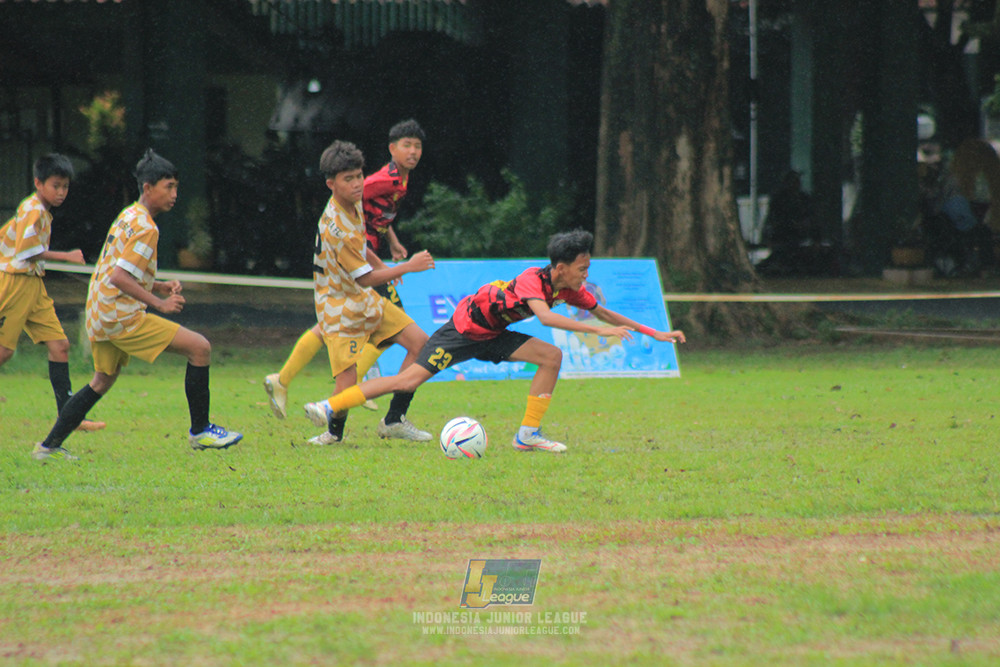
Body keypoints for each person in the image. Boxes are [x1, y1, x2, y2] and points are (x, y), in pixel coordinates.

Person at [318, 229, 686, 453]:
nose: (586, 275)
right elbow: (544, 317)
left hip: (494, 336)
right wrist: (598, 332)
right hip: (462, 332)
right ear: (561, 268)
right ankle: (332, 405)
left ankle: (527, 436)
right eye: (583, 268)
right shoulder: (532, 280)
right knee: (407, 380)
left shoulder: (568, 289)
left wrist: (656, 333)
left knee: (551, 356)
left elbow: (606, 312)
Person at [31, 150, 242, 460]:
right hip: (121, 317)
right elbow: (119, 276)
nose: (174, 194)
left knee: (101, 380)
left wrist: (157, 284)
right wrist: (160, 302)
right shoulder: (147, 228)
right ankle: (201, 432)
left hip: (99, 313)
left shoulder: (129, 215)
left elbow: (119, 270)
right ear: (147, 188)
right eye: (168, 186)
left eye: (175, 187)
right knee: (200, 348)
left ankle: (47, 448)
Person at [264, 119, 426, 415]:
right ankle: (347, 410)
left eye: (417, 146)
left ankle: (287, 381)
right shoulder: (368, 194)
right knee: (354, 363)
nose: (413, 152)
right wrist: (398, 265)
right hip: (346, 289)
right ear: (392, 149)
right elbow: (362, 258)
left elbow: (371, 223)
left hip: (355, 284)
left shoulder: (381, 188)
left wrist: (388, 245)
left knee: (411, 339)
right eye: (407, 145)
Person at [289, 140, 435, 445]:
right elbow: (367, 278)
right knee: (347, 381)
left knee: (420, 343)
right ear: (331, 184)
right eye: (349, 179)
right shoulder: (335, 229)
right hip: (338, 307)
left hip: (362, 299)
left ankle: (394, 420)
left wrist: (382, 259)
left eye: (359, 176)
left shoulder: (353, 202)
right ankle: (332, 433)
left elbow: (363, 246)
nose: (358, 184)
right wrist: (407, 267)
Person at [0, 154, 105, 432]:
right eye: (55, 185)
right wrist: (66, 256)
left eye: (65, 187)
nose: (61, 192)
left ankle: (70, 417)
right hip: (14, 282)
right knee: (4, 352)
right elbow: (25, 252)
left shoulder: (41, 210)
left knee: (60, 345)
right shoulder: (33, 209)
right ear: (38, 183)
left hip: (33, 284)